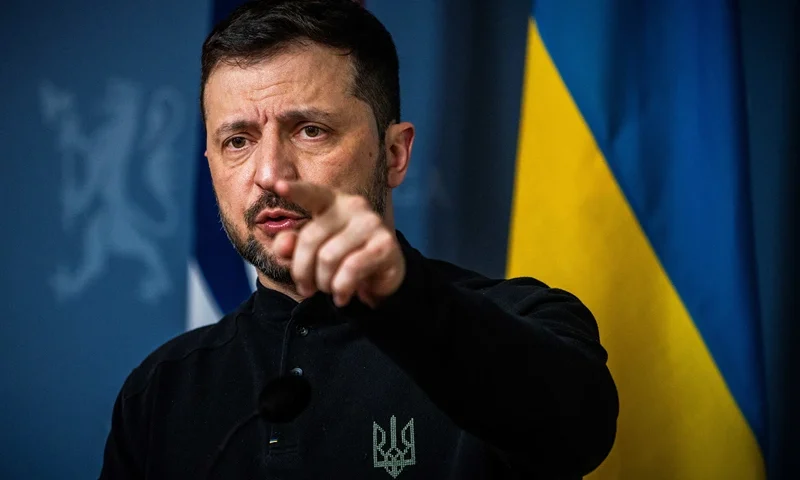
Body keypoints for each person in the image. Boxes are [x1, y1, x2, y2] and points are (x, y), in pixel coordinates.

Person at [99, 0, 619, 478]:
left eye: (311, 130)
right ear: (210, 165)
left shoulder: (526, 318)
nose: (269, 174)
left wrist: (402, 298)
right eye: (238, 141)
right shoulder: (159, 392)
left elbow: (576, 432)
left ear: (394, 154)